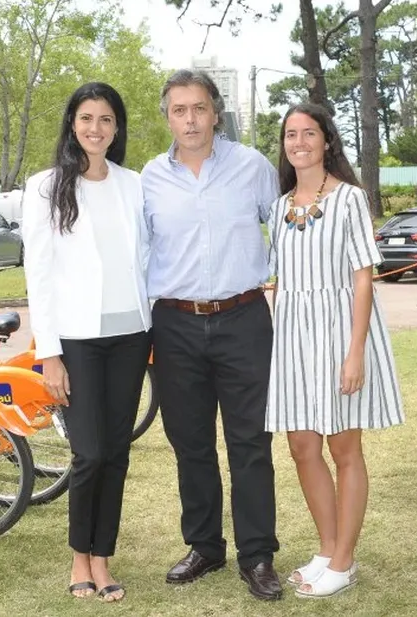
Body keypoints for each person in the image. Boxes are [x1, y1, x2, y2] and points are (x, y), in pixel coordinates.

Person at [142, 69, 283, 601]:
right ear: (169, 118)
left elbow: (287, 228)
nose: (190, 119)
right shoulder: (150, 178)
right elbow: (139, 254)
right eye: (179, 110)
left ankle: (258, 554)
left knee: (250, 442)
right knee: (191, 443)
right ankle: (204, 545)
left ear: (215, 112)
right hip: (175, 323)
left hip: (244, 318)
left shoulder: (252, 167)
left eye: (199, 108)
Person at [265, 103, 404, 599]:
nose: (298, 142)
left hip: (340, 332)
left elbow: (362, 277)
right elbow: (281, 279)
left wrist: (355, 352)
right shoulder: (280, 207)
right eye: (290, 134)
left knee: (345, 448)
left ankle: (344, 560)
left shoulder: (349, 199)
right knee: (302, 446)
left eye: (308, 133)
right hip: (294, 337)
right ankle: (326, 549)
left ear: (327, 141)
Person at [22, 81, 151, 603]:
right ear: (72, 125)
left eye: (105, 119)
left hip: (130, 335)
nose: (95, 128)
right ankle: (79, 555)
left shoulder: (134, 184)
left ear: (116, 128)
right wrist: (49, 353)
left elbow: (146, 261)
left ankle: (103, 558)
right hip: (76, 339)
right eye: (86, 118)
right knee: (90, 453)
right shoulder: (45, 187)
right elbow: (40, 273)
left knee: (117, 453)